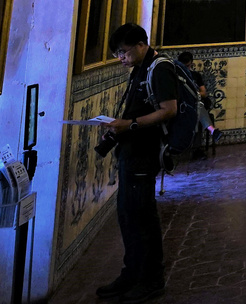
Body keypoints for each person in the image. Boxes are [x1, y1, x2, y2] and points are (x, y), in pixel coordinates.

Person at [97, 24, 179, 304]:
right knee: (128, 217)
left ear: (140, 44)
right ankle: (131, 273)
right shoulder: (141, 69)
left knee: (142, 219)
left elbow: (169, 110)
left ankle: (151, 280)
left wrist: (129, 125)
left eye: (123, 53)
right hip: (132, 153)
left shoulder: (160, 68)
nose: (121, 59)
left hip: (144, 154)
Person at [175, 51, 215, 159]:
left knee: (197, 111)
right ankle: (211, 130)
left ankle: (196, 148)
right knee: (197, 110)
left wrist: (193, 94)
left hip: (194, 104)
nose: (187, 68)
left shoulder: (195, 76)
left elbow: (203, 93)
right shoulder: (176, 76)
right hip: (182, 107)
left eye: (188, 66)